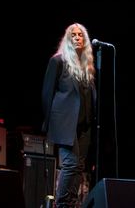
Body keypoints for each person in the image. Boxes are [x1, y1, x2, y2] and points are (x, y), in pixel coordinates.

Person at [42, 23, 96, 208]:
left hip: (84, 125)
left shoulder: (87, 66)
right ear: (67, 39)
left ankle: (71, 204)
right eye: (73, 35)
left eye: (80, 35)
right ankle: (63, 204)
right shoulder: (58, 61)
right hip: (64, 123)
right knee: (71, 164)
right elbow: (47, 93)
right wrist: (48, 123)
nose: (77, 37)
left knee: (79, 167)